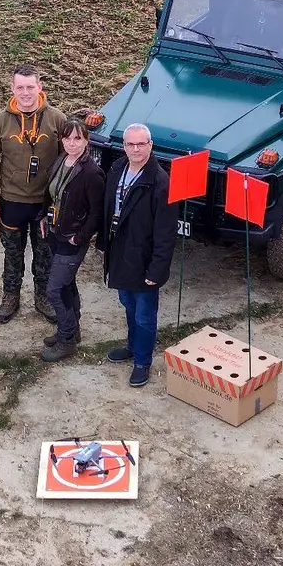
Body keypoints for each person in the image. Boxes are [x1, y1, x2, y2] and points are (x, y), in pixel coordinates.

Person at [0, 65, 66, 324]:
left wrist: (62, 198)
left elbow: (67, 160)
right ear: (12, 89)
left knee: (44, 253)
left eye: (30, 87)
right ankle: (10, 296)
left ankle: (43, 296)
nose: (25, 93)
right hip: (12, 201)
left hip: (44, 202)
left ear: (40, 87)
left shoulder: (56, 119)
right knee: (12, 253)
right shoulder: (0, 121)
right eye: (20, 87)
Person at [96, 123, 178, 387]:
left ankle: (142, 362)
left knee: (144, 314)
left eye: (141, 144)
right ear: (124, 146)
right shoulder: (117, 168)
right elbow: (108, 208)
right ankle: (132, 346)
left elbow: (166, 233)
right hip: (121, 252)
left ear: (150, 145)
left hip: (144, 260)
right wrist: (104, 243)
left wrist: (157, 270)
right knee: (127, 302)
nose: (135, 149)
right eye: (130, 144)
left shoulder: (160, 183)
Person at [38, 118, 105, 361]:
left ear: (86, 140)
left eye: (78, 138)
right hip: (56, 232)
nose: (72, 143)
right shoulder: (61, 160)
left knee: (54, 290)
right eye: (67, 138)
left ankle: (66, 340)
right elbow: (51, 194)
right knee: (66, 284)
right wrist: (43, 216)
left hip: (72, 239)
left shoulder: (91, 173)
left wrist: (80, 237)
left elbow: (97, 213)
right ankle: (72, 330)